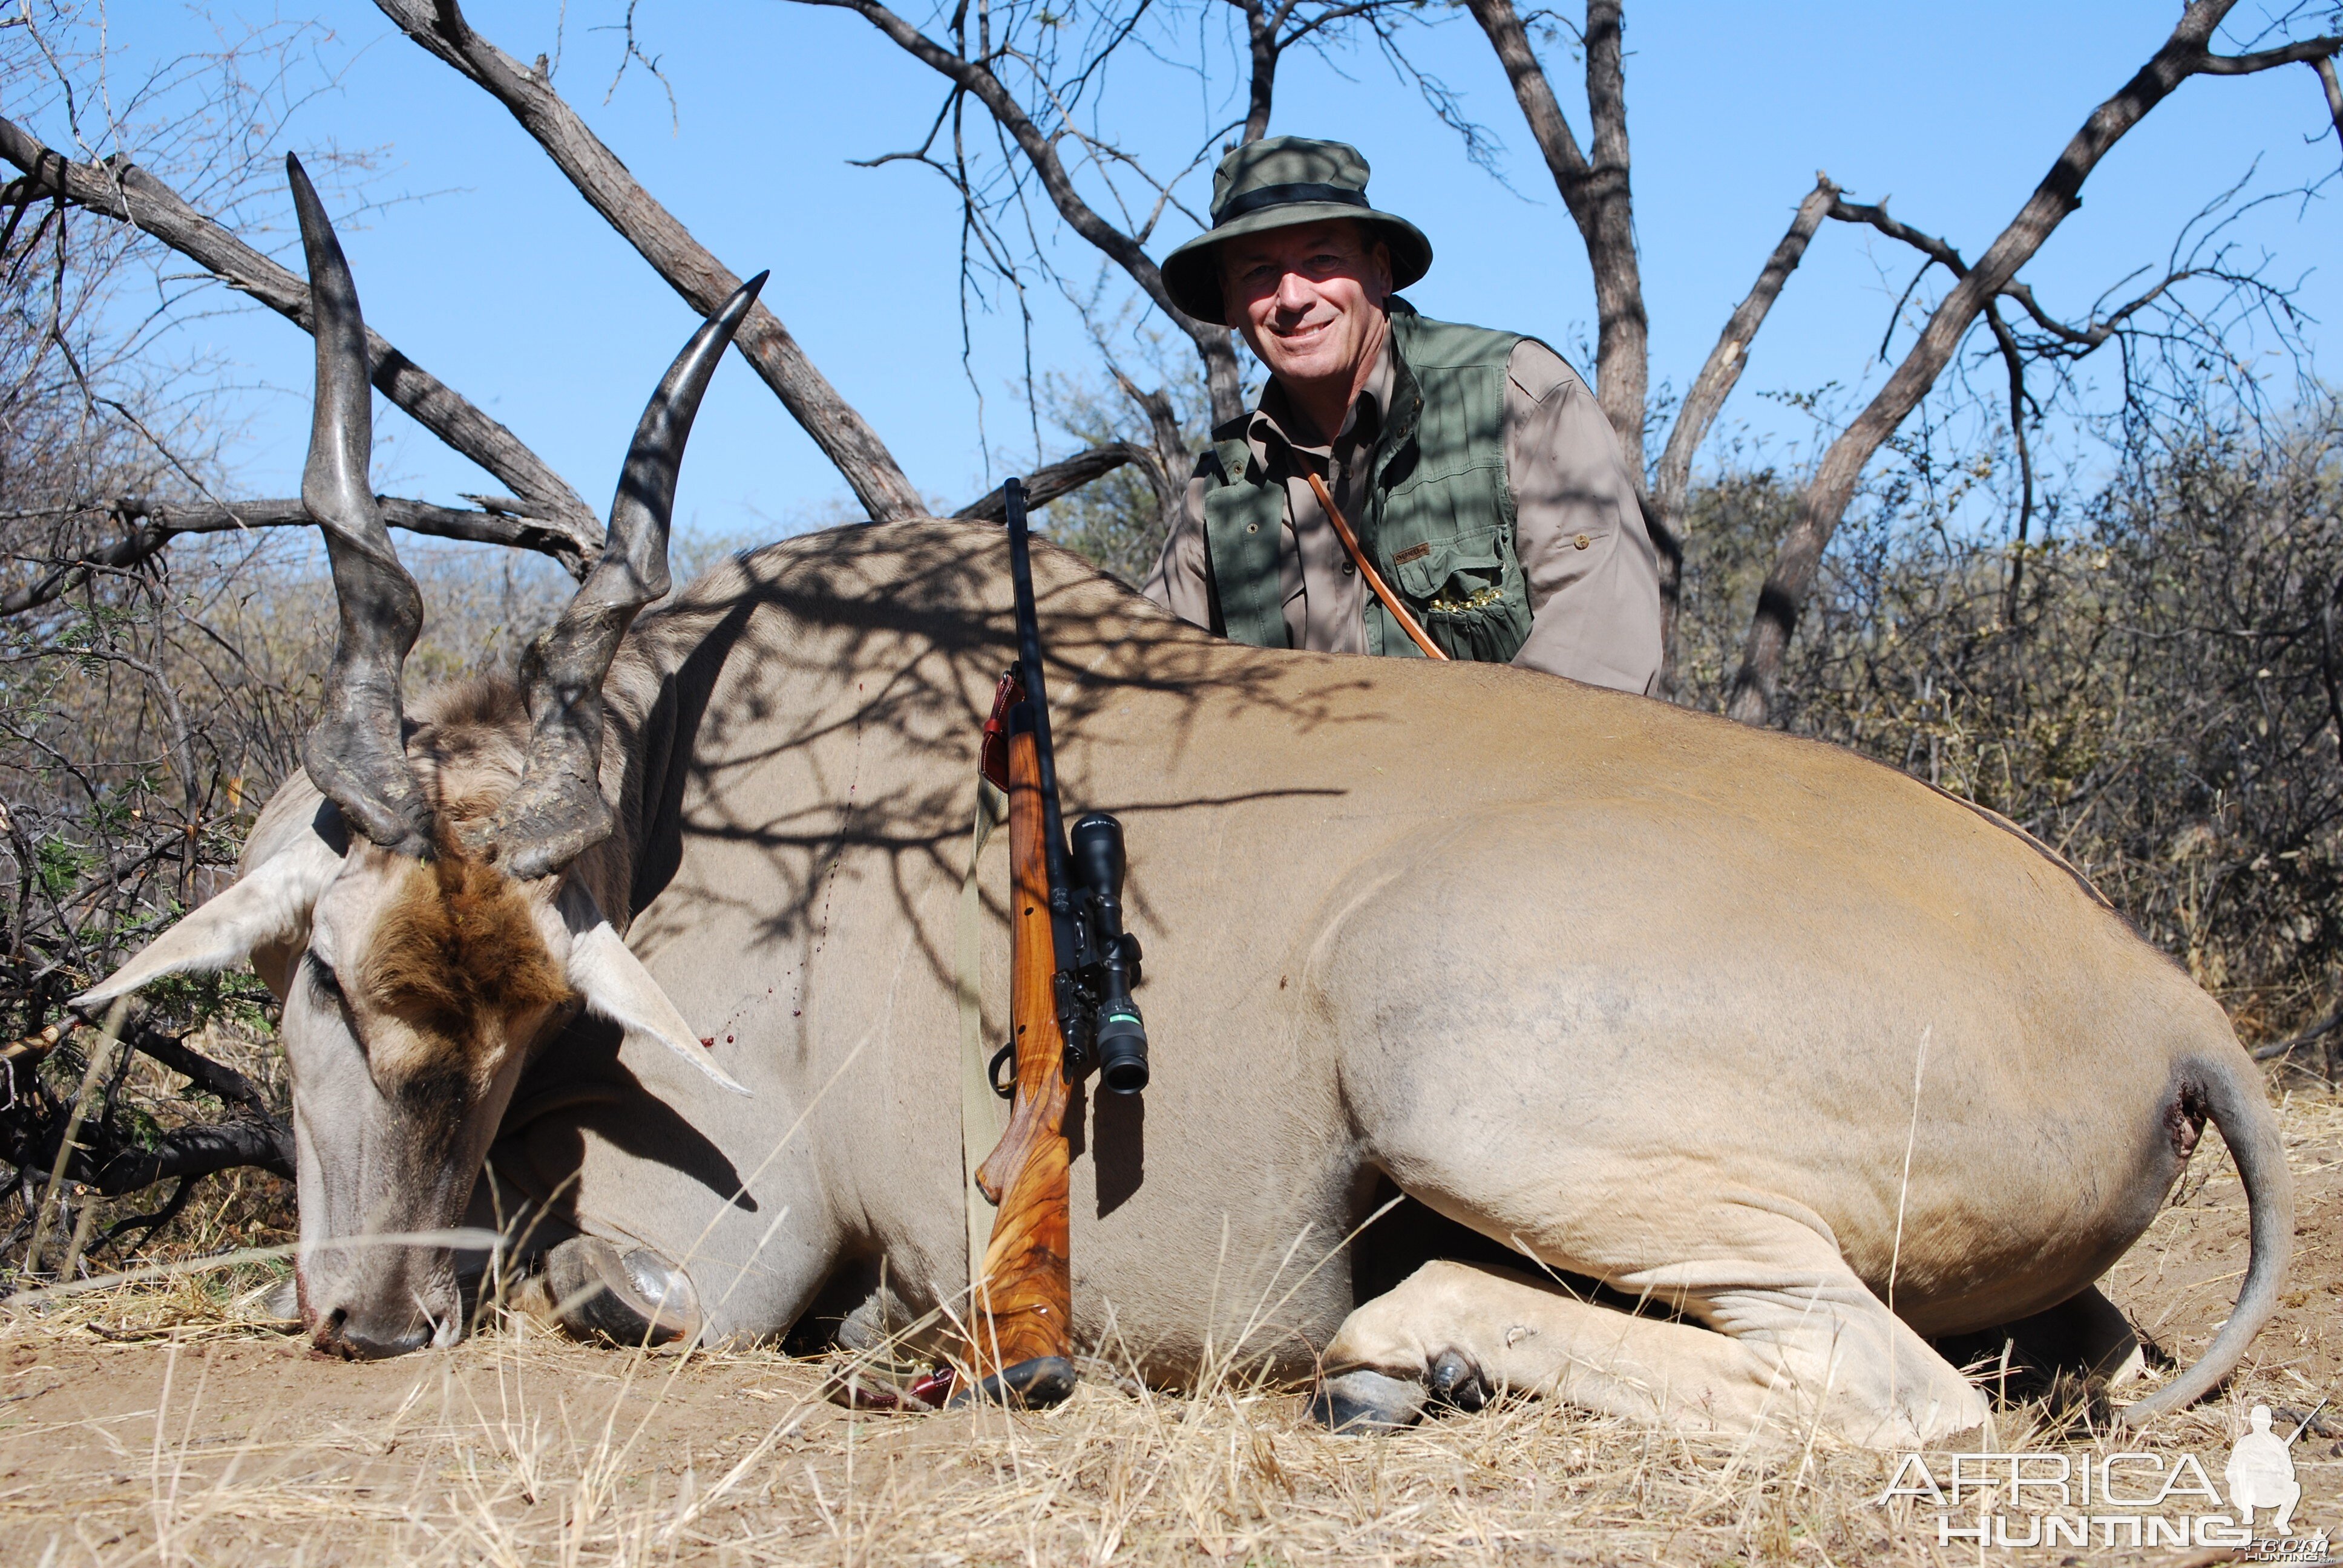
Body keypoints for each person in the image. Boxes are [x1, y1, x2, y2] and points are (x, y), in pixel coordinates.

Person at [1144, 136, 1663, 694]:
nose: (1291, 297)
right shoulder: (1221, 488)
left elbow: (1598, 671)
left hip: (1522, 778)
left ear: (1382, 271)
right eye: (1259, 272)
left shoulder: (1519, 396)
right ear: (1228, 303)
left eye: (1323, 260)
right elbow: (1151, 686)